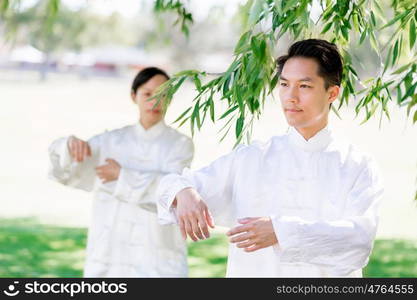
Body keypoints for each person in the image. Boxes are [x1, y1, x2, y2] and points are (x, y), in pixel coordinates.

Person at [157, 39, 383, 277]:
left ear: (332, 93)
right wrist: (183, 193)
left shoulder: (357, 165)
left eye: (304, 86)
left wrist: (280, 232)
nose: (291, 97)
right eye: (284, 84)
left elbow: (358, 241)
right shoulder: (251, 158)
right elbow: (169, 185)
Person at [48, 67, 194, 277]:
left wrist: (122, 175)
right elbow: (66, 171)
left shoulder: (180, 145)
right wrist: (67, 145)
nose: (155, 101)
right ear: (134, 96)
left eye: (163, 94)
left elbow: (172, 190)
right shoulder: (110, 142)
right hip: (111, 253)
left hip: (158, 253)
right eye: (147, 94)